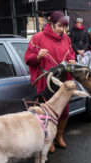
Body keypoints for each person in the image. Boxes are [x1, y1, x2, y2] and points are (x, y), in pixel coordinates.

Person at [24, 11, 76, 153]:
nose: (62, 30)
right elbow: (28, 58)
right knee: (45, 113)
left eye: (64, 27)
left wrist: (72, 60)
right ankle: (49, 140)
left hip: (63, 80)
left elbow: (71, 54)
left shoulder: (66, 38)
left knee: (64, 111)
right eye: (59, 26)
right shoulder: (37, 38)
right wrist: (38, 56)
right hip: (45, 82)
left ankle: (59, 136)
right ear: (51, 24)